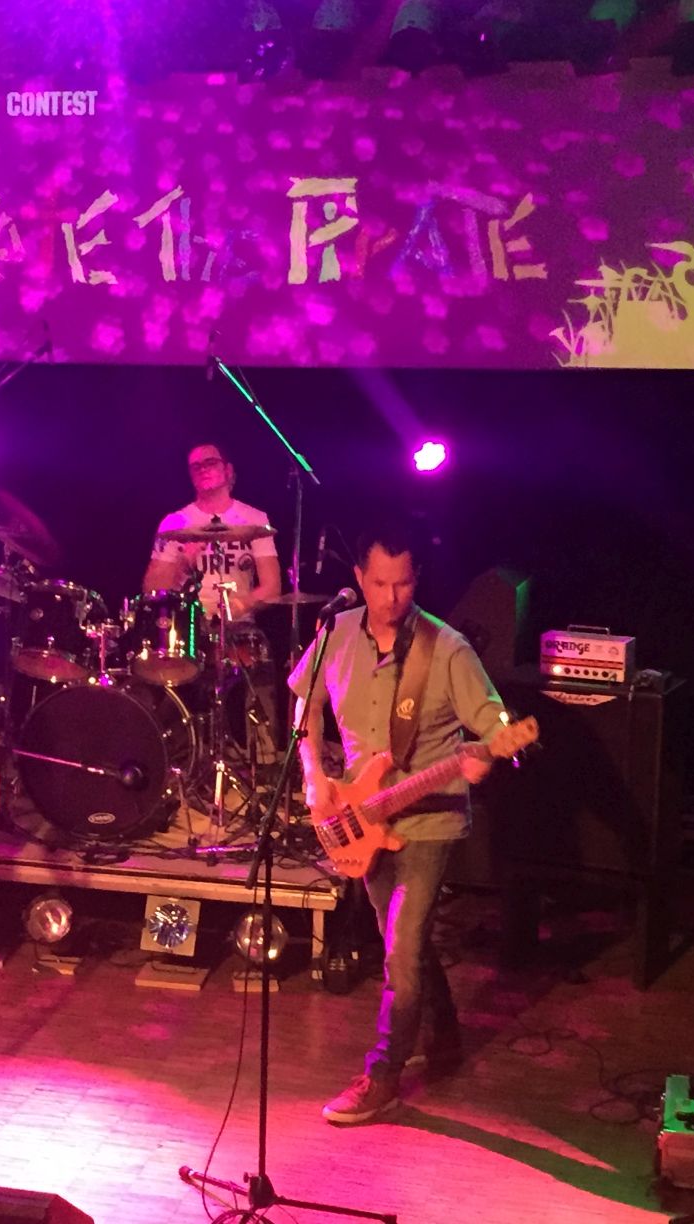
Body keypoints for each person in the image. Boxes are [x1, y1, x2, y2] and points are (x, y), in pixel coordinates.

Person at [289, 522, 508, 1125]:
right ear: (359, 578)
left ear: (417, 580)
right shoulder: (335, 633)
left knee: (403, 953)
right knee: (400, 945)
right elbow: (304, 707)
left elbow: (494, 723)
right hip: (362, 818)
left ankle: (382, 1076)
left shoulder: (447, 648)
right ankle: (444, 1036)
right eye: (379, 583)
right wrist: (314, 774)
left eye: (403, 583)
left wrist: (489, 753)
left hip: (430, 822)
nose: (391, 597)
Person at [143, 441, 283, 759]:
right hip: (191, 627)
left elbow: (273, 587)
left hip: (238, 625)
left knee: (260, 657)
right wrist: (183, 563)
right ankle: (184, 758)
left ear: (228, 470)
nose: (203, 469)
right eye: (195, 466)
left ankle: (262, 759)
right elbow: (151, 588)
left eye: (210, 462)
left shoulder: (253, 519)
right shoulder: (175, 522)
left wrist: (241, 604)